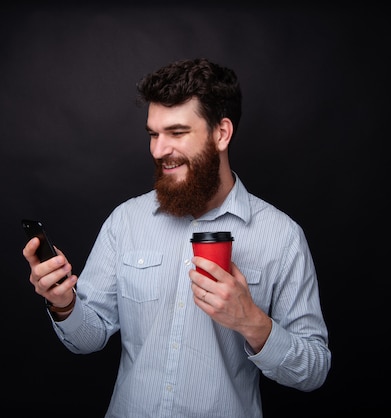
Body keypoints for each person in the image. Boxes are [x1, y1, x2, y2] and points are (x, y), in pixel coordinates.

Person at [22, 58, 331, 417]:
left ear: (221, 133)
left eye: (177, 133)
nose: (158, 150)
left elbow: (314, 370)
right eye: (154, 134)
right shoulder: (127, 221)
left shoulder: (282, 237)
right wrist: (63, 304)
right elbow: (87, 340)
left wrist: (251, 321)